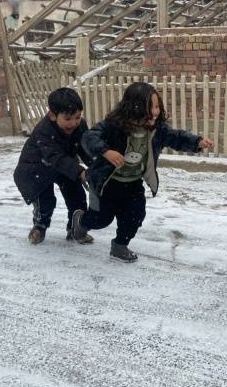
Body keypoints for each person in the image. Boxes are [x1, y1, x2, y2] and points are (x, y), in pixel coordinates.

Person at [71, 81, 213, 262]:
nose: (155, 112)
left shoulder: (157, 130)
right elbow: (89, 137)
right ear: (133, 109)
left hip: (133, 182)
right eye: (149, 107)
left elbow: (176, 137)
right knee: (101, 219)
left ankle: (120, 246)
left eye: (156, 106)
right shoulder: (113, 126)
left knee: (135, 215)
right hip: (107, 182)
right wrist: (106, 151)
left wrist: (197, 142)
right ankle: (81, 224)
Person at [13, 87, 94, 245]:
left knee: (77, 196)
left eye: (77, 117)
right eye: (68, 118)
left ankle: (75, 229)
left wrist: (97, 165)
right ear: (52, 115)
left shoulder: (80, 126)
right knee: (46, 201)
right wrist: (80, 172)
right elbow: (55, 157)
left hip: (65, 166)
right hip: (36, 169)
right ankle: (40, 226)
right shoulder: (44, 131)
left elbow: (86, 148)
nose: (73, 123)